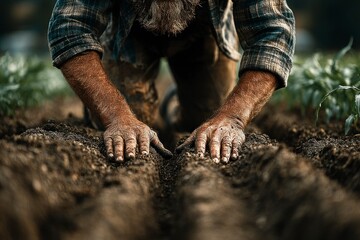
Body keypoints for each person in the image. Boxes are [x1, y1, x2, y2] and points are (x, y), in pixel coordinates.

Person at [48, 0, 295, 163]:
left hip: (206, 32)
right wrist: (115, 116)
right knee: (129, 129)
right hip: (129, 33)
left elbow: (273, 32)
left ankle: (173, 105)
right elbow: (70, 26)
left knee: (208, 122)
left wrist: (233, 117)